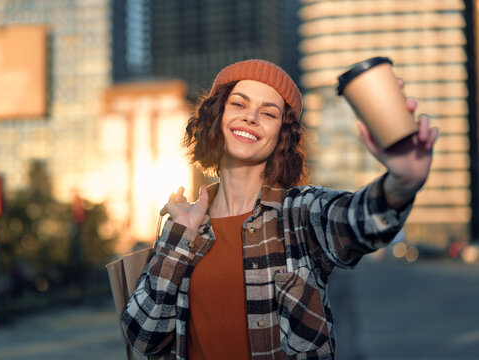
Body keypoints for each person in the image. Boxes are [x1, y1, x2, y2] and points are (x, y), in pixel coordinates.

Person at [121, 59, 438, 359]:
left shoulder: (300, 213)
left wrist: (401, 182)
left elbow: (359, 220)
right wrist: (181, 237)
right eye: (239, 104)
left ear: (281, 137)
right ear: (217, 116)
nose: (250, 117)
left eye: (268, 113)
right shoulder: (183, 225)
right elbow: (143, 336)